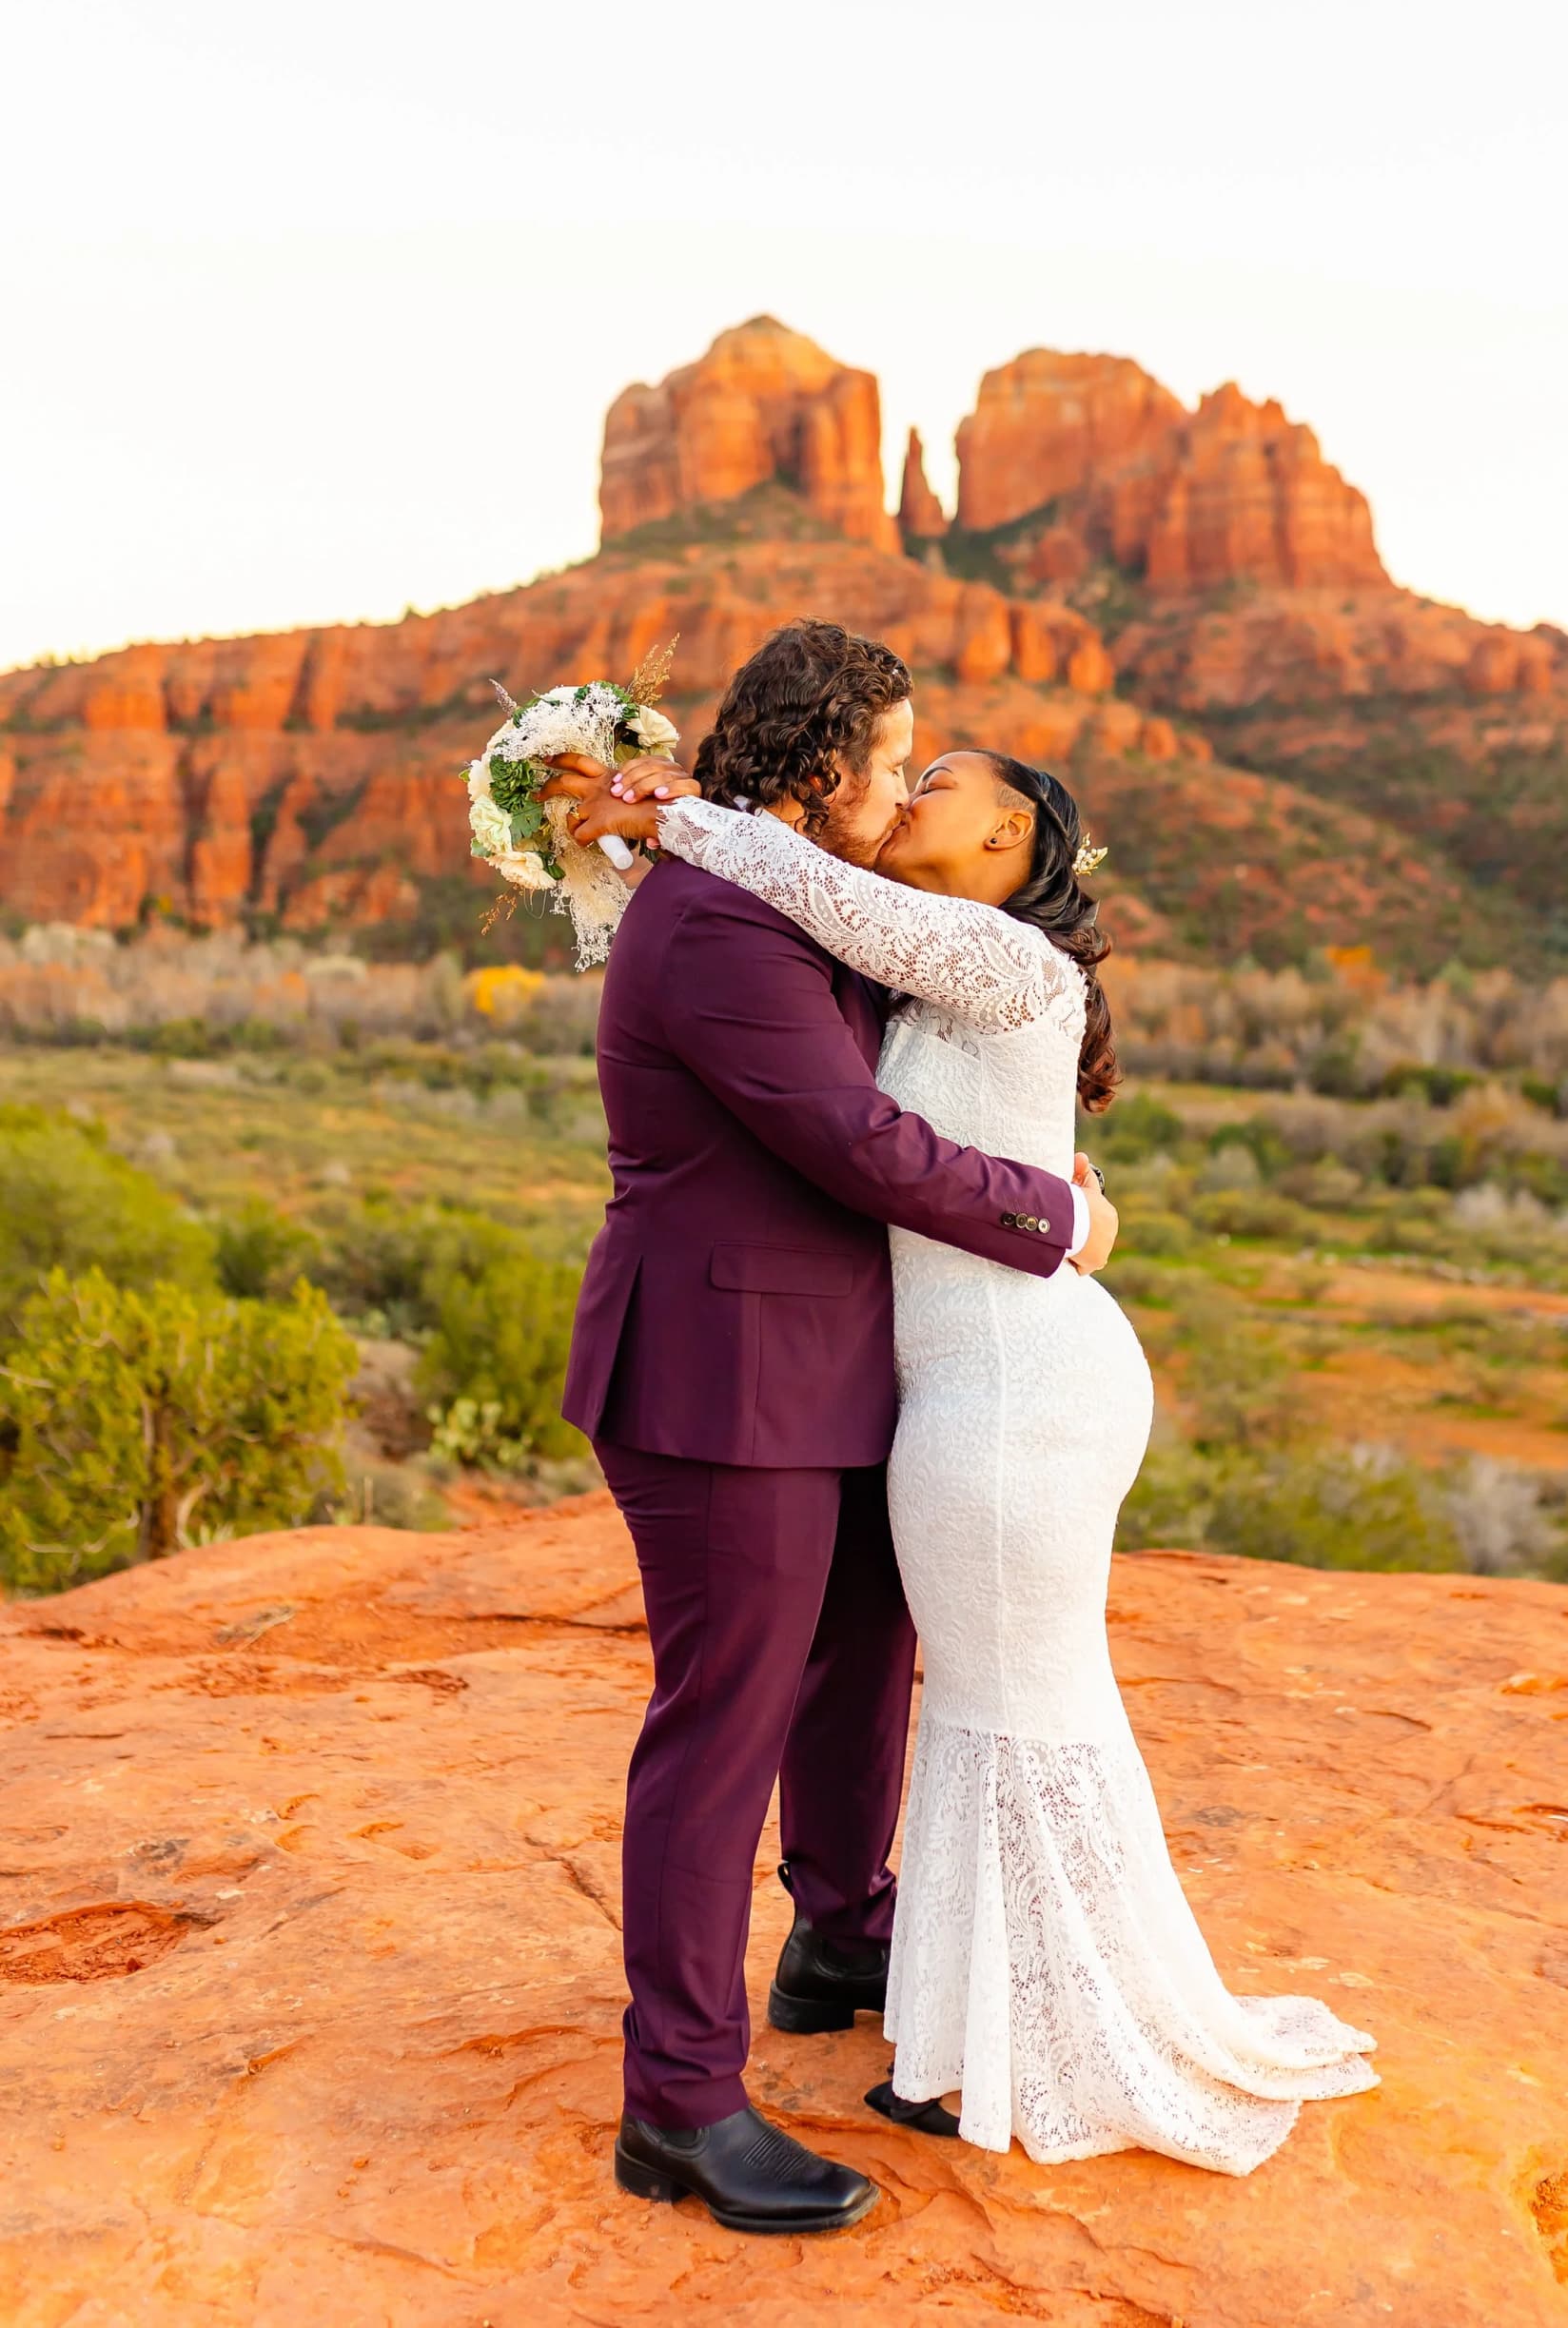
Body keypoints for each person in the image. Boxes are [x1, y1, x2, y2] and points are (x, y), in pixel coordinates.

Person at [587, 734, 1380, 2174]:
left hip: (1016, 1393)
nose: (903, 798)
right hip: (966, 1386)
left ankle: (1047, 2033)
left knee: (1012, 1707)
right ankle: (966, 2011)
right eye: (895, 767)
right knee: (977, 1708)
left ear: (1012, 839)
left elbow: (789, 877)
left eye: (931, 781)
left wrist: (662, 805)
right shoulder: (932, 957)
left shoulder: (998, 956)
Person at [542, 620, 1119, 2238]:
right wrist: (1053, 1215)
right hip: (719, 1378)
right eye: (889, 762)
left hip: (847, 1369)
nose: (897, 792)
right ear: (823, 769)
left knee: (865, 1659)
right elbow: (852, 1138)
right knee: (721, 1723)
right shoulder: (721, 926)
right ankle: (679, 2106)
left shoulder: (788, 896)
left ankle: (841, 1936)